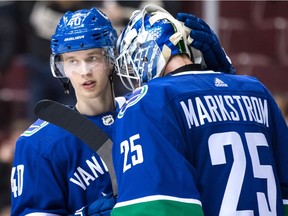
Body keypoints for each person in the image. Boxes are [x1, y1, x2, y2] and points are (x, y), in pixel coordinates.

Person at [95, 4, 288, 216]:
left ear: (144, 55)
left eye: (132, 66)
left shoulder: (149, 101)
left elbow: (156, 207)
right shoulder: (257, 91)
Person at [10, 8, 119, 215]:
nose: (84, 71)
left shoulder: (141, 117)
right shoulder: (39, 143)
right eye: (72, 61)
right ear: (61, 67)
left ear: (110, 59)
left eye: (93, 58)